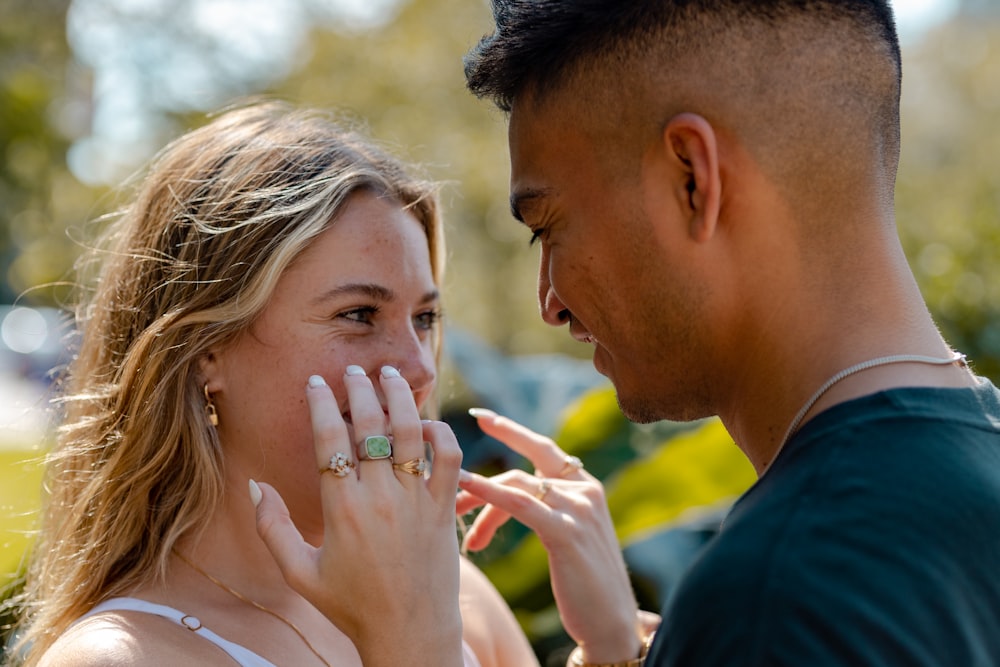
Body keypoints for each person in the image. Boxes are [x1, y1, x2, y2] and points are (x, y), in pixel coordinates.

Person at [250, 1, 1000, 666]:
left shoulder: (783, 590)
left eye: (548, 224)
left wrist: (412, 646)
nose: (549, 301)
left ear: (691, 180)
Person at [7, 101, 538, 667]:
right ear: (205, 350)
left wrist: (611, 649)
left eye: (425, 319)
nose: (419, 367)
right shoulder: (123, 658)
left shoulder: (451, 597)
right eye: (359, 314)